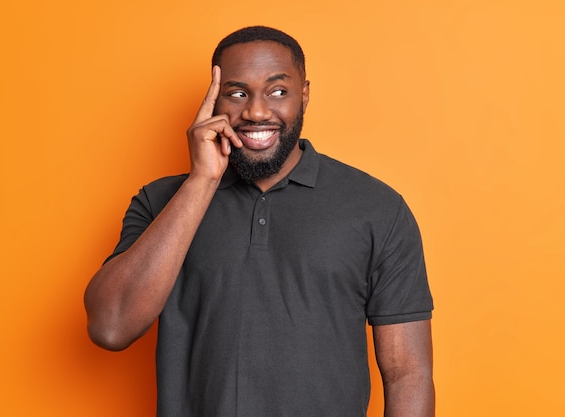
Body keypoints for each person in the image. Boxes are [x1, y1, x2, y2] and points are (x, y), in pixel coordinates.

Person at [84, 26, 434, 417]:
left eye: (278, 91)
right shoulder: (160, 202)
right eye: (237, 93)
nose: (255, 111)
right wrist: (202, 181)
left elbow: (408, 373)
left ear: (304, 96)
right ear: (213, 100)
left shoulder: (377, 208)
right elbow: (110, 328)